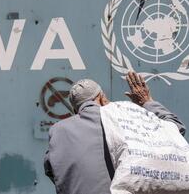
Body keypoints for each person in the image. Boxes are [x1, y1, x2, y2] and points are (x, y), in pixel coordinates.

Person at [44, 72, 186, 194]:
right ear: (101, 98)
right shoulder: (122, 116)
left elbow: (50, 170)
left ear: (76, 109)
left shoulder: (57, 130)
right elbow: (175, 130)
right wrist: (147, 101)